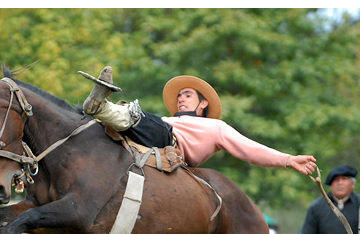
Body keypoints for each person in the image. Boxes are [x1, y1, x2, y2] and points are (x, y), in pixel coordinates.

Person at [80, 66, 317, 175]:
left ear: (203, 104)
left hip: (168, 143)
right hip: (139, 143)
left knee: (138, 115)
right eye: (179, 96)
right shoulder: (164, 118)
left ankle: (101, 107)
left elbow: (250, 149)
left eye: (188, 95)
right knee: (106, 128)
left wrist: (288, 159)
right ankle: (91, 114)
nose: (181, 99)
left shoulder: (215, 127)